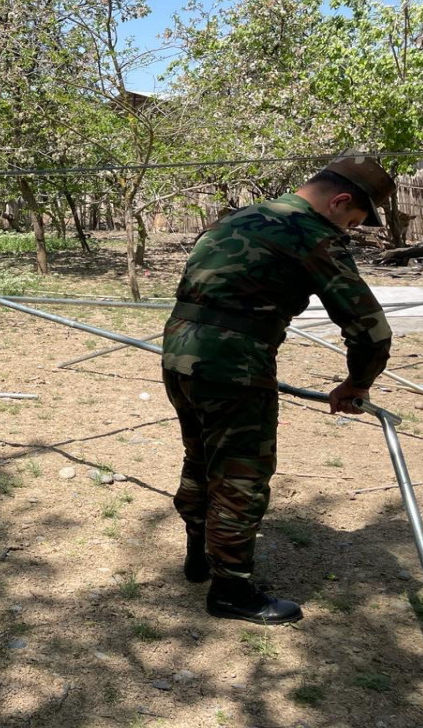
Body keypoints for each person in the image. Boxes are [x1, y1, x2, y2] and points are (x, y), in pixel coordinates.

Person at [161, 156, 395, 625]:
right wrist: (357, 383)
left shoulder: (240, 216)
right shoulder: (311, 232)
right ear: (340, 200)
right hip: (234, 364)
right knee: (241, 474)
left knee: (201, 456)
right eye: (351, 222)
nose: (348, 231)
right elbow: (370, 329)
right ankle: (230, 589)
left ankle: (199, 554)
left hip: (180, 352)